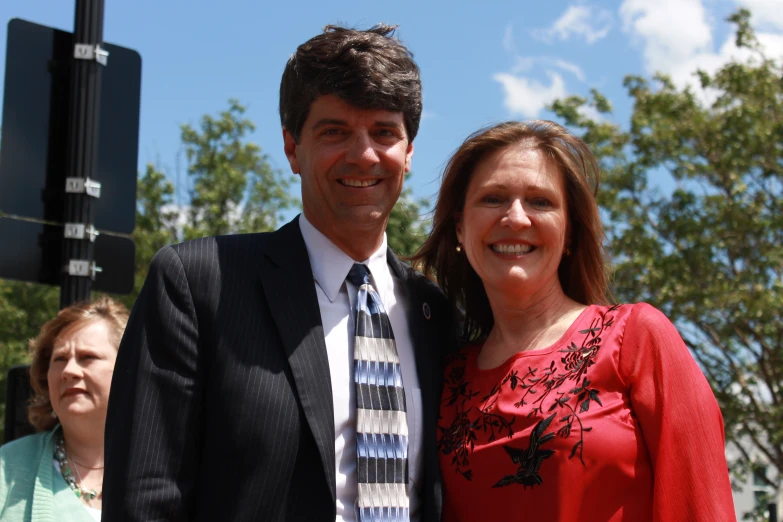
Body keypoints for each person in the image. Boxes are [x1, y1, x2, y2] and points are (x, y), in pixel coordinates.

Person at [103, 24, 453, 522]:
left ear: (409, 151)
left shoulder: (437, 313)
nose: (363, 154)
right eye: (334, 131)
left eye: (384, 132)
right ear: (292, 148)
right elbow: (144, 499)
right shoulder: (198, 284)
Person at [412, 120, 736, 521]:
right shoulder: (444, 374)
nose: (515, 217)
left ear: (569, 234)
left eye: (540, 202)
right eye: (493, 199)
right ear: (460, 227)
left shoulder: (636, 338)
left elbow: (700, 508)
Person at [0, 297, 129, 522]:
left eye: (87, 357)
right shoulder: (6, 470)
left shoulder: (173, 470)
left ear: (129, 368)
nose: (69, 370)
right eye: (59, 359)